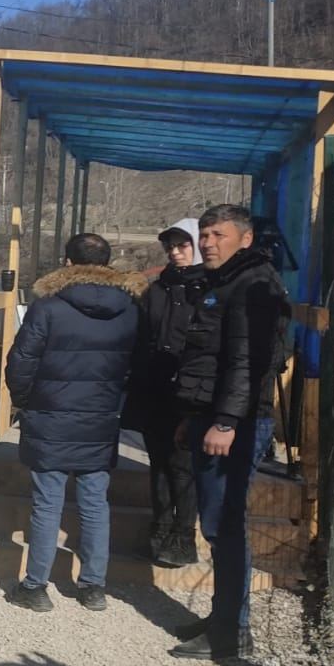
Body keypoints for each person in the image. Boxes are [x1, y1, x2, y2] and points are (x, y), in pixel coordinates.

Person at [169, 205, 289, 660]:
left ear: (245, 238)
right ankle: (223, 617)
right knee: (217, 526)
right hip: (213, 415)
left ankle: (230, 634)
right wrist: (194, 416)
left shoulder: (255, 284)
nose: (207, 242)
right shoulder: (227, 281)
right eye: (203, 234)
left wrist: (225, 422)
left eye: (218, 234)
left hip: (235, 424)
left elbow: (248, 363)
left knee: (226, 527)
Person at [4, 233, 144, 613]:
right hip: (101, 416)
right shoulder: (130, 308)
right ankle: (93, 588)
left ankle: (36, 588)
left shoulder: (48, 306)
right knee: (95, 503)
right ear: (108, 263)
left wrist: (24, 401)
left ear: (68, 263)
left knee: (48, 502)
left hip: (50, 413)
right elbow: (137, 365)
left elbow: (21, 362)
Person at [129, 219, 206, 567]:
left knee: (184, 466)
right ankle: (158, 531)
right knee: (158, 463)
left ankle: (184, 536)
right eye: (171, 247)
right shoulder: (156, 289)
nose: (175, 252)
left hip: (191, 392)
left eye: (183, 245)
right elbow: (141, 336)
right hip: (154, 388)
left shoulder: (211, 288)